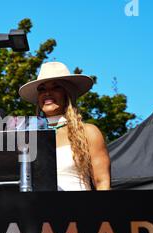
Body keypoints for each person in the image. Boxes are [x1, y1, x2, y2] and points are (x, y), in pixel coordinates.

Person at [19, 62, 111, 191]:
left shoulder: (88, 132)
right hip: (38, 208)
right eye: (42, 89)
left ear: (68, 93)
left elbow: (102, 183)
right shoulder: (27, 136)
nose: (47, 93)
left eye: (56, 87)